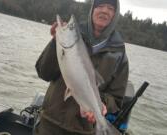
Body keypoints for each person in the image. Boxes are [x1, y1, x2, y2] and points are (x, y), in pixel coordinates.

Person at [34, 0, 129, 135]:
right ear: (92, 10)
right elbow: (44, 73)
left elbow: (117, 98)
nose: (104, 11)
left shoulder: (119, 54)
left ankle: (103, 127)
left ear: (115, 14)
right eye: (100, 6)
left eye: (110, 8)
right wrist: (56, 41)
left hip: (83, 131)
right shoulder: (72, 35)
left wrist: (102, 105)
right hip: (50, 123)